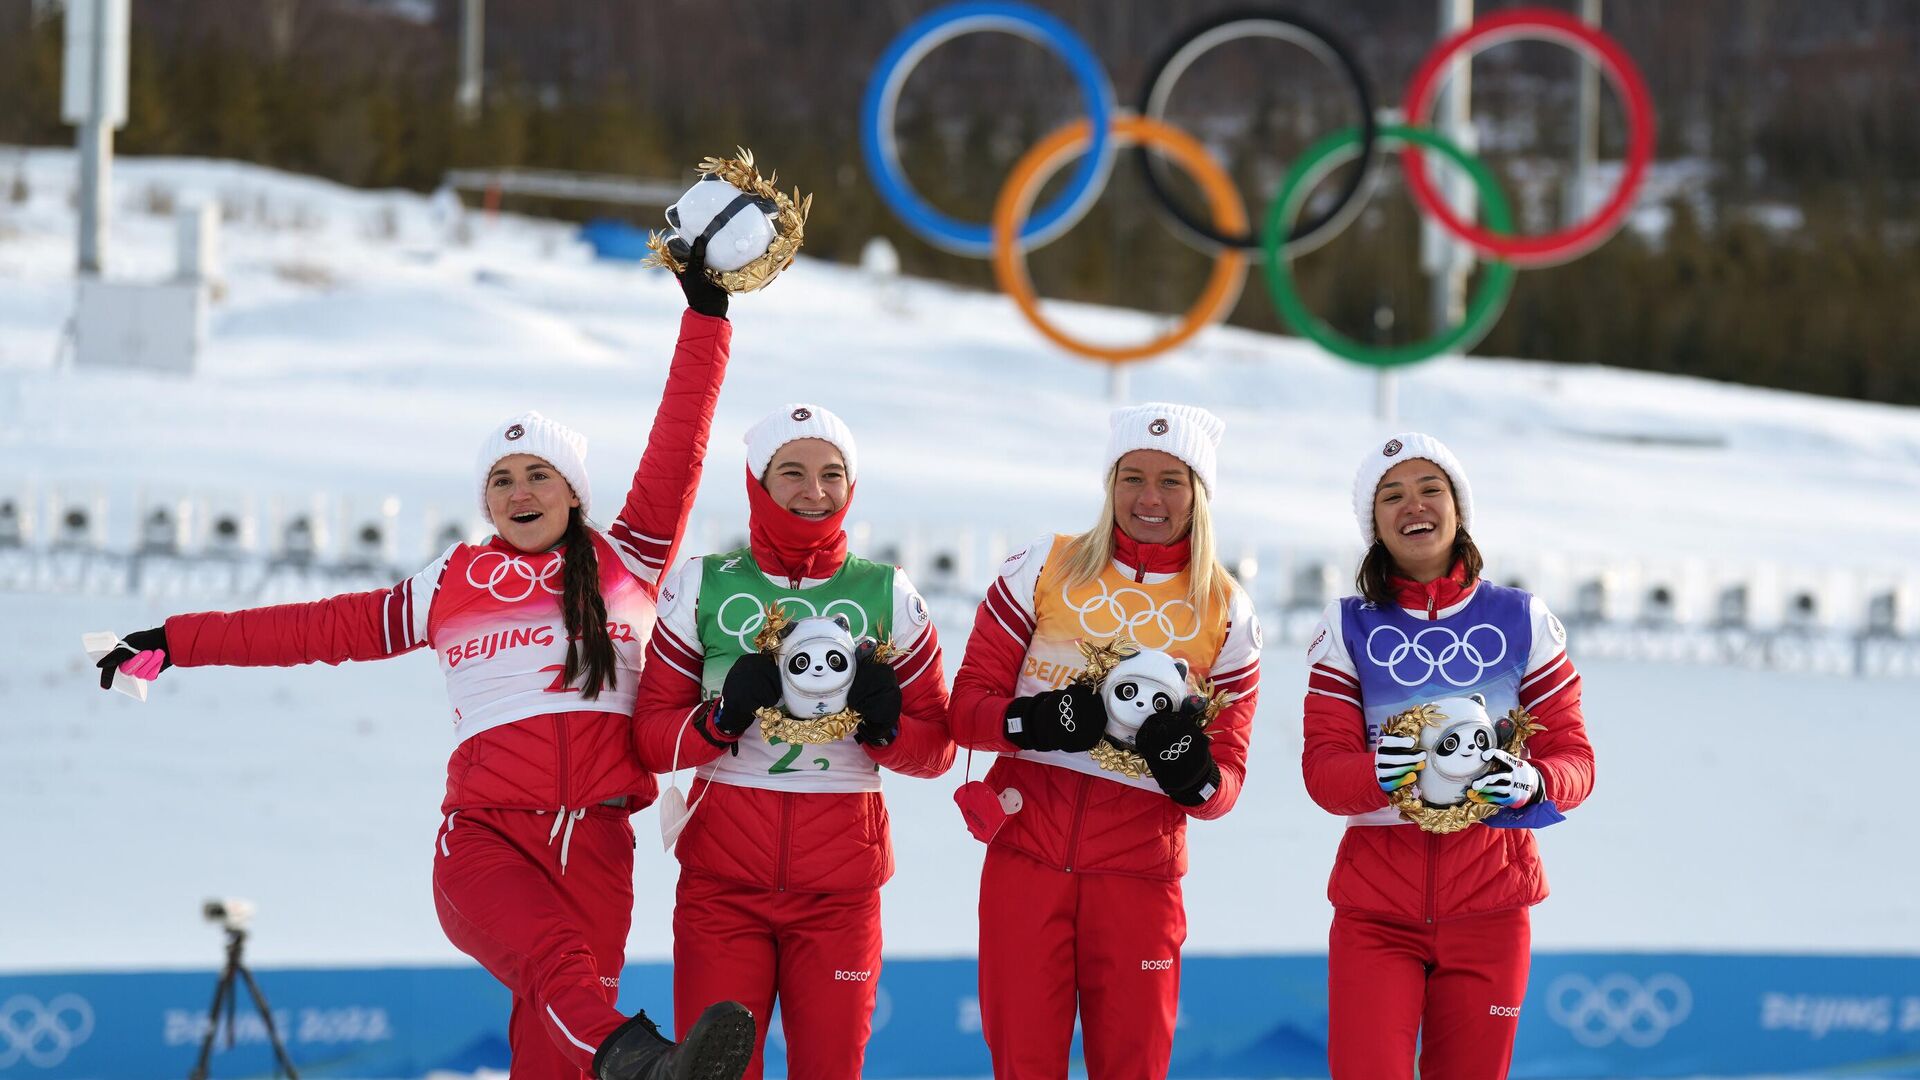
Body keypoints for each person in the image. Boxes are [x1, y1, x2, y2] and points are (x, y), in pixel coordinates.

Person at [91, 244, 756, 1080]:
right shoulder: (452, 582)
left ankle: (633, 1062)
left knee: (556, 1047)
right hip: (482, 845)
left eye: (538, 474)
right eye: (501, 479)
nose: (519, 491)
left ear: (574, 489)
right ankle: (649, 1065)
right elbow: (314, 628)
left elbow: (680, 440)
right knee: (562, 973)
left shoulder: (630, 559)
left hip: (596, 844)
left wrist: (706, 315)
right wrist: (173, 642)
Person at [629, 402, 953, 1080]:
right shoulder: (704, 584)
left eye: (832, 474)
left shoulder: (888, 593)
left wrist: (887, 729)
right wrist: (719, 721)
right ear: (757, 482)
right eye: (793, 473)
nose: (814, 491)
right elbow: (651, 737)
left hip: (840, 892)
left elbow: (940, 748)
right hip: (722, 887)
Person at [947, 403, 1261, 1080]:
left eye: (1171, 481)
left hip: (1141, 882)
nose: (1149, 498)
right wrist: (1032, 723)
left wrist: (1191, 773)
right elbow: (964, 711)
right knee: (1023, 1065)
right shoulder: (1043, 566)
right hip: (1025, 860)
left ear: (1199, 494)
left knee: (1134, 1066)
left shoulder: (1226, 609)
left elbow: (1224, 786)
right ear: (1109, 483)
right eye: (1132, 477)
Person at [1301, 432, 1595, 1080]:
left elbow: (1575, 759)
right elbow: (1324, 775)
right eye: (1393, 495)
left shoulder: (1520, 618)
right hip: (1376, 913)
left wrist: (1533, 781)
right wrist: (1386, 773)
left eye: (1430, 488)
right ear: (1374, 524)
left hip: (1491, 905)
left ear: (1458, 505)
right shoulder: (1347, 626)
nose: (1415, 505)